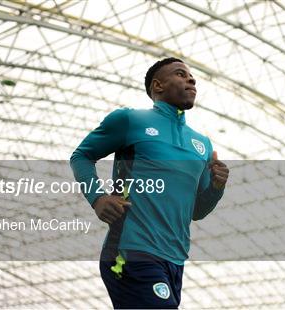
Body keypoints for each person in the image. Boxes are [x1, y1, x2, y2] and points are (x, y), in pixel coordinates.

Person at [70, 57, 229, 309]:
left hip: (175, 260)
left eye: (191, 76)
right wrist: (97, 198)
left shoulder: (202, 145)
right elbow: (81, 156)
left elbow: (197, 211)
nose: (191, 79)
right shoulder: (130, 120)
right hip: (129, 253)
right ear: (158, 86)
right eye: (180, 74)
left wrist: (216, 189)